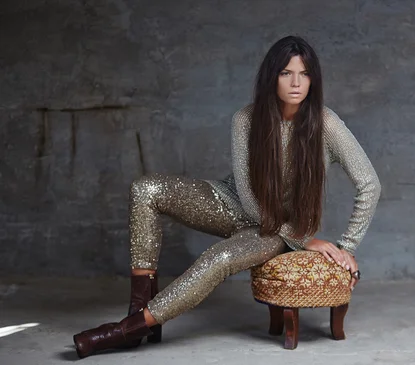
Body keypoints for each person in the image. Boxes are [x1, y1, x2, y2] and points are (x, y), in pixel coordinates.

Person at [72, 35, 381, 358]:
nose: (295, 82)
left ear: (313, 80)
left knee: (216, 259)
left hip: (271, 231)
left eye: (304, 74)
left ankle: (127, 331)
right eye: (286, 73)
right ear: (271, 76)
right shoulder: (245, 120)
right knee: (145, 188)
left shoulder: (326, 124)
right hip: (230, 202)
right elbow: (247, 199)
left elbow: (370, 184)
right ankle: (137, 314)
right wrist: (307, 239)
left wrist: (346, 246)